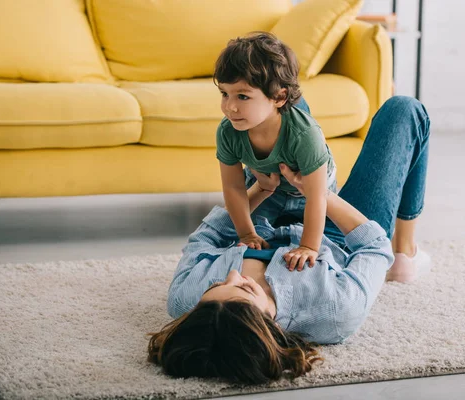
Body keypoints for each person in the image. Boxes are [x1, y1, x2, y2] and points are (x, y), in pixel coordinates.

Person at [148, 96, 432, 384]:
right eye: (244, 288)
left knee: (281, 107)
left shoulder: (186, 301)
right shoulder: (335, 312)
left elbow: (209, 235)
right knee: (404, 110)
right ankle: (405, 252)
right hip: (335, 235)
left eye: (218, 283)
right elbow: (373, 245)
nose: (233, 274)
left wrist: (261, 189)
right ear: (265, 325)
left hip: (261, 214)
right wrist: (317, 192)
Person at [214, 32, 337, 269]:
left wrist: (308, 247)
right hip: (269, 185)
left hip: (311, 190)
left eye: (242, 96)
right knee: (233, 240)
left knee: (324, 249)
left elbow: (317, 196)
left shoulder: (304, 135)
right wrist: (247, 234)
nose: (229, 106)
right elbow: (233, 187)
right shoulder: (228, 131)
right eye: (224, 94)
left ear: (279, 97)